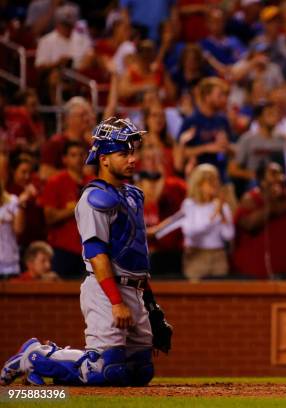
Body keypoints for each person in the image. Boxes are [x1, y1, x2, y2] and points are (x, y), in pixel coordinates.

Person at [0, 117, 171, 386]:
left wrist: (151, 305)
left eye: (132, 152)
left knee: (140, 372)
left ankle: (48, 366)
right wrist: (116, 302)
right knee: (106, 369)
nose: (131, 159)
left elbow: (136, 255)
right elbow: (96, 252)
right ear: (103, 158)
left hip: (135, 290)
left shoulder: (133, 195)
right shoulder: (95, 197)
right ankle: (36, 356)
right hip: (106, 288)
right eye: (123, 153)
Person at [151, 164, 234, 281]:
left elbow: (228, 235)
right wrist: (214, 216)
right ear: (199, 184)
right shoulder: (190, 205)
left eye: (216, 180)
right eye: (209, 181)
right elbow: (192, 232)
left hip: (218, 257)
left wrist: (223, 216)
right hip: (196, 256)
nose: (214, 184)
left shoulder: (222, 206)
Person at [39, 141, 92, 279]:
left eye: (82, 155)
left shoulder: (93, 182)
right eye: (73, 155)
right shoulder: (56, 182)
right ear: (65, 159)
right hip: (62, 249)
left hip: (89, 250)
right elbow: (49, 217)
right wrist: (77, 207)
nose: (79, 159)